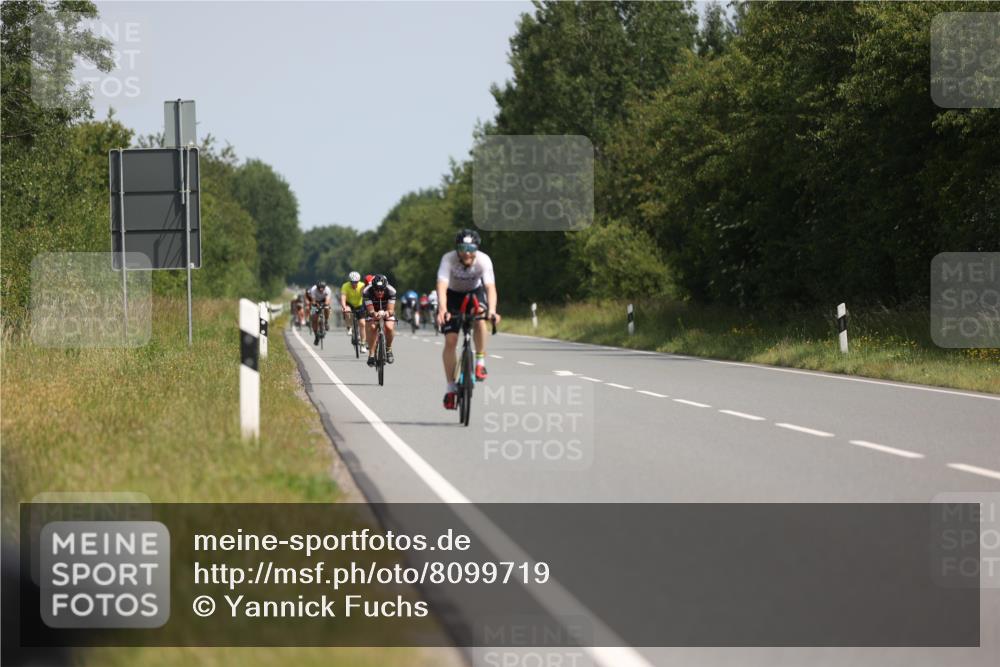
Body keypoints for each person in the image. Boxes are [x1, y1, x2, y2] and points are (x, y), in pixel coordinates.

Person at [436, 229, 500, 410]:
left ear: (476, 248)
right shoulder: (448, 259)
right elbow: (441, 286)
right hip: (452, 296)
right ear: (457, 249)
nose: (467, 252)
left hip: (474, 294)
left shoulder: (483, 260)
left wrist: (493, 311)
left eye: (471, 248)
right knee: (451, 340)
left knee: (480, 316)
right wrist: (442, 309)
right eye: (463, 248)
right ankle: (450, 388)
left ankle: (480, 361)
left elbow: (490, 288)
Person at [363, 274, 397, 366]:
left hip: (386, 310)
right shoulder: (367, 291)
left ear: (385, 288)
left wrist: (387, 313)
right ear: (373, 288)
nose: (379, 292)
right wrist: (374, 314)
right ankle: (372, 354)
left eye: (382, 289)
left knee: (389, 327)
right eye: (377, 290)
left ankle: (388, 349)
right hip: (373, 310)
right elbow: (370, 310)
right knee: (372, 327)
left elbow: (391, 310)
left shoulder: (391, 291)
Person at [340, 271, 367, 350]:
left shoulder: (362, 285)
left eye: (356, 282)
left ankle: (363, 344)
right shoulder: (345, 286)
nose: (354, 284)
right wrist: (344, 306)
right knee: (347, 310)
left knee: (362, 324)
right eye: (352, 282)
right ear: (350, 281)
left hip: (359, 305)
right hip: (349, 304)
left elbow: (365, 296)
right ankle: (349, 327)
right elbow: (343, 298)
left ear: (358, 281)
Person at [306, 280, 333, 346]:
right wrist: (316, 305)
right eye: (319, 289)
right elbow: (313, 301)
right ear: (317, 287)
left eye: (322, 289)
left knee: (327, 308)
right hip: (316, 301)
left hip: (324, 300)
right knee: (314, 318)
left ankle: (326, 321)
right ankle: (316, 336)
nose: (321, 290)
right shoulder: (313, 289)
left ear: (324, 287)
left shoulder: (328, 290)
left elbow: (327, 300)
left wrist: (325, 305)